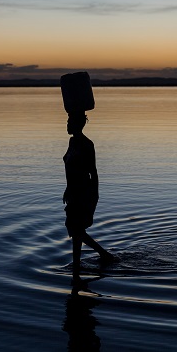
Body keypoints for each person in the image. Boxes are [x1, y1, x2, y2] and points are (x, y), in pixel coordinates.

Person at [63, 111, 114, 279]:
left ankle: (101, 256)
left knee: (76, 229)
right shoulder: (72, 142)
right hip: (73, 192)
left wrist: (95, 195)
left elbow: (93, 172)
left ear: (78, 124)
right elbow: (70, 169)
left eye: (70, 122)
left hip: (84, 191)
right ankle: (78, 264)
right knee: (76, 231)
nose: (67, 124)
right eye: (68, 121)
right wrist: (67, 189)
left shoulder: (87, 144)